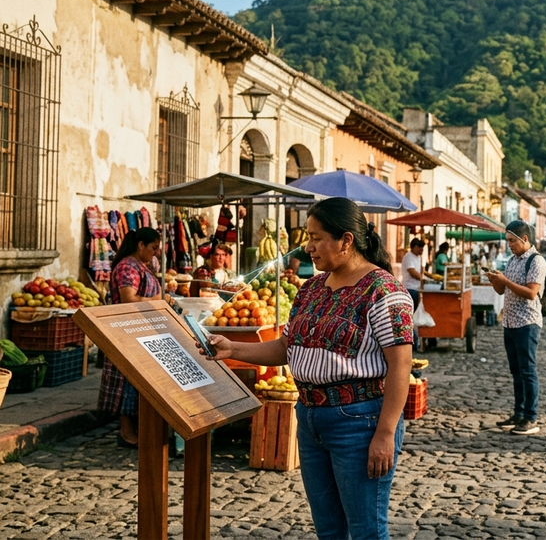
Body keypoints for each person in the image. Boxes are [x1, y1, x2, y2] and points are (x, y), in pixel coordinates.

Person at [203, 197, 413, 540]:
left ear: (346, 240)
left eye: (316, 238)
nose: (308, 247)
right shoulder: (312, 289)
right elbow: (288, 346)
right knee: (329, 529)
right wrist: (232, 348)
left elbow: (400, 366)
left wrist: (385, 433)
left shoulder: (384, 291)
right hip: (311, 417)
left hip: (359, 422)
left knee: (366, 530)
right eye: (308, 237)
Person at [98, 227, 179, 447]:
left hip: (142, 331)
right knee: (126, 384)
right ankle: (126, 432)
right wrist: (160, 300)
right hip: (126, 331)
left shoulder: (142, 266)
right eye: (153, 248)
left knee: (138, 384)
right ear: (140, 245)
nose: (155, 253)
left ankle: (139, 429)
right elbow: (128, 299)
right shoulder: (127, 266)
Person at [485, 221, 546, 436]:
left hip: (527, 323)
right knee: (516, 371)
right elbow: (502, 291)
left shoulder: (536, 261)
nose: (509, 244)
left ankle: (531, 417)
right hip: (510, 322)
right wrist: (495, 280)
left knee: (528, 371)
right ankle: (518, 413)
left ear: (524, 239)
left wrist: (505, 281)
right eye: (507, 241)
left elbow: (531, 293)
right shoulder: (513, 260)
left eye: (512, 240)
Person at [400, 238, 426, 310]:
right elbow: (412, 272)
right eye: (420, 249)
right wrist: (422, 279)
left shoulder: (418, 257)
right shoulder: (408, 256)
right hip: (410, 287)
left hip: (416, 288)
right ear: (415, 247)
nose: (421, 251)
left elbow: (421, 270)